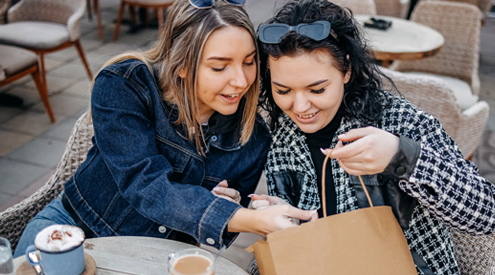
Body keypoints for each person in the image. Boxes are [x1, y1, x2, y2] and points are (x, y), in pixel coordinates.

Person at [14, 0, 317, 257]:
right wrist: (246, 219)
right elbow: (144, 184)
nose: (240, 81)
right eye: (219, 67)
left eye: (249, 62)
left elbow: (220, 236)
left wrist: (231, 206)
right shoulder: (125, 84)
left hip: (156, 257)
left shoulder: (253, 136)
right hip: (73, 230)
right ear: (181, 63)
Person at [249, 1, 495, 275]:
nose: (300, 107)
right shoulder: (284, 134)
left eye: (317, 90)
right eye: (283, 91)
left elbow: (486, 214)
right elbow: (304, 227)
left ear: (347, 70)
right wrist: (276, 215)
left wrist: (401, 157)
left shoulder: (398, 121)